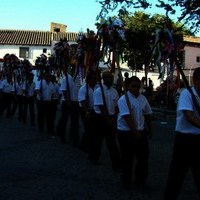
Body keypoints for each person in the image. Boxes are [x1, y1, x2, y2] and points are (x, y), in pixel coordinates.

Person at [164, 67, 200, 200]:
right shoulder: (187, 94)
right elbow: (188, 116)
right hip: (185, 140)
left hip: (198, 139)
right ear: (195, 81)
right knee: (177, 175)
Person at [117, 76, 152, 189]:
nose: (136, 88)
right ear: (128, 86)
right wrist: (134, 131)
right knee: (127, 158)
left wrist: (150, 128)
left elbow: (147, 114)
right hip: (126, 132)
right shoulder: (123, 99)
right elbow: (127, 117)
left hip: (141, 131)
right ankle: (126, 180)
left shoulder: (143, 99)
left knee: (143, 158)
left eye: (138, 86)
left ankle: (140, 180)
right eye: (133, 86)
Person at [88, 70, 121, 171]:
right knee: (98, 140)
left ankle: (116, 163)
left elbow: (117, 106)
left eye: (110, 77)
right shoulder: (98, 91)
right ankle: (93, 157)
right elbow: (101, 106)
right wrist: (108, 119)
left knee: (112, 142)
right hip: (100, 118)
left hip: (111, 118)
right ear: (102, 79)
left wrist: (114, 117)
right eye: (106, 77)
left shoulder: (114, 91)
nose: (109, 79)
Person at [78, 70, 98, 153]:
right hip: (86, 110)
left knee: (93, 129)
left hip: (94, 110)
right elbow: (82, 101)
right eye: (93, 79)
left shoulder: (97, 87)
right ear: (89, 79)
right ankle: (83, 145)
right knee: (88, 128)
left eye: (96, 78)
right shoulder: (83, 88)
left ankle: (89, 144)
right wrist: (86, 112)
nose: (95, 80)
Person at [56, 72, 74, 143]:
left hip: (74, 101)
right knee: (64, 119)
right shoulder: (66, 78)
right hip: (66, 101)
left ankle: (72, 136)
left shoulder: (79, 76)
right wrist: (67, 101)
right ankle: (61, 135)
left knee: (73, 120)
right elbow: (64, 91)